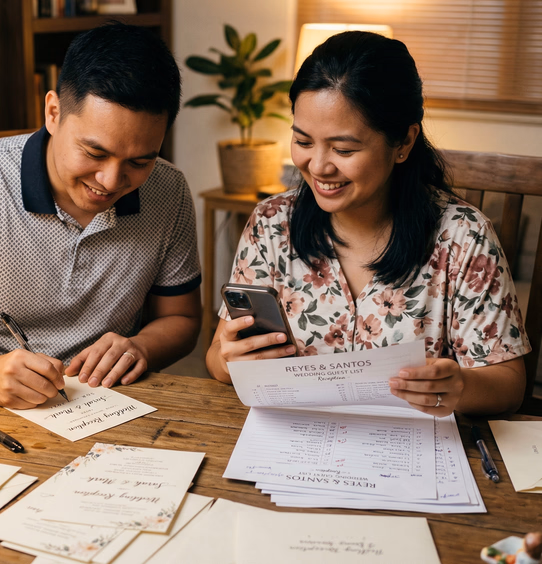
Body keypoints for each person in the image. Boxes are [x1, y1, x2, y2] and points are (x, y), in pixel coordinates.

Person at [0, 22, 202, 409]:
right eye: (95, 153)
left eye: (140, 160)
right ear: (52, 112)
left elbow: (182, 319)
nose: (111, 181)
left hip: (111, 404)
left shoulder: (168, 189)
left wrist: (140, 347)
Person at [206, 31, 529, 416]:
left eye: (344, 149)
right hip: (296, 440)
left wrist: (459, 388)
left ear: (404, 142)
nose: (319, 166)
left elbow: (508, 383)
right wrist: (228, 360)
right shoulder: (271, 223)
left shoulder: (464, 236)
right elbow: (216, 357)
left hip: (410, 451)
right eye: (303, 142)